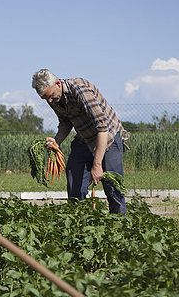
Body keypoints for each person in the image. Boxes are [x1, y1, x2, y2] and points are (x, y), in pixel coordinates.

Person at [32, 69, 127, 214]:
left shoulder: (81, 90)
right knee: (74, 183)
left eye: (50, 96)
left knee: (113, 187)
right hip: (84, 138)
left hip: (108, 138)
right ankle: (79, 225)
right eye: (45, 98)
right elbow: (65, 122)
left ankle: (121, 226)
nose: (49, 101)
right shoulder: (54, 97)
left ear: (58, 83)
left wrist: (97, 165)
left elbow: (103, 128)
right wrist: (56, 141)